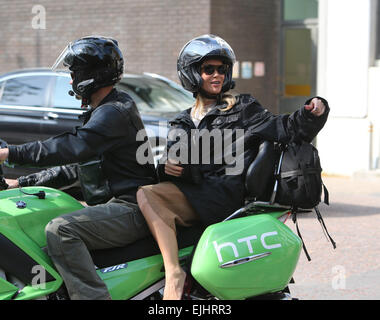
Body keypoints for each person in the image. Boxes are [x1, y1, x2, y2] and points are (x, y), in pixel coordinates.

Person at [136, 34, 329, 300]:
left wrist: (312, 113)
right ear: (192, 73)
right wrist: (167, 166)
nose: (216, 75)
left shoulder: (242, 108)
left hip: (224, 193)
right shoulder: (182, 121)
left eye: (221, 69)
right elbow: (174, 160)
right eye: (208, 69)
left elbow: (285, 127)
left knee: (147, 194)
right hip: (194, 192)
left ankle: (173, 274)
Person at [0, 36, 157, 300]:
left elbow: (73, 147)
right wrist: (23, 183)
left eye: (74, 73)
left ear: (90, 75)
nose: (71, 80)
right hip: (113, 204)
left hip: (131, 207)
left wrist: (11, 153)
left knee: (61, 230)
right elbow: (77, 168)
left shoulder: (115, 112)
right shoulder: (105, 110)